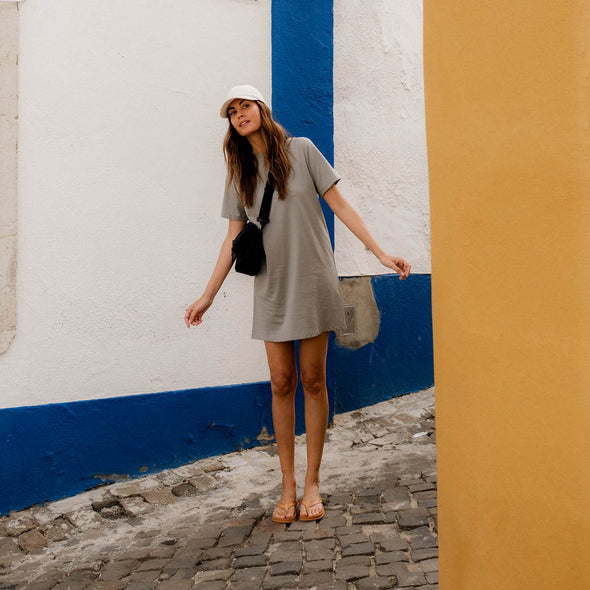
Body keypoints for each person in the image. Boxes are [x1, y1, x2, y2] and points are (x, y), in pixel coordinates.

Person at [184, 84, 411, 523]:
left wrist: (380, 253)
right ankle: (287, 484)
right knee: (281, 382)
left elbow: (340, 206)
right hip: (271, 285)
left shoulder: (302, 150)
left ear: (262, 109)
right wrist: (207, 295)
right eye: (232, 112)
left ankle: (312, 483)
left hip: (312, 279)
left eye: (245, 106)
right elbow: (232, 240)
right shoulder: (239, 172)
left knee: (312, 380)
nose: (239, 114)